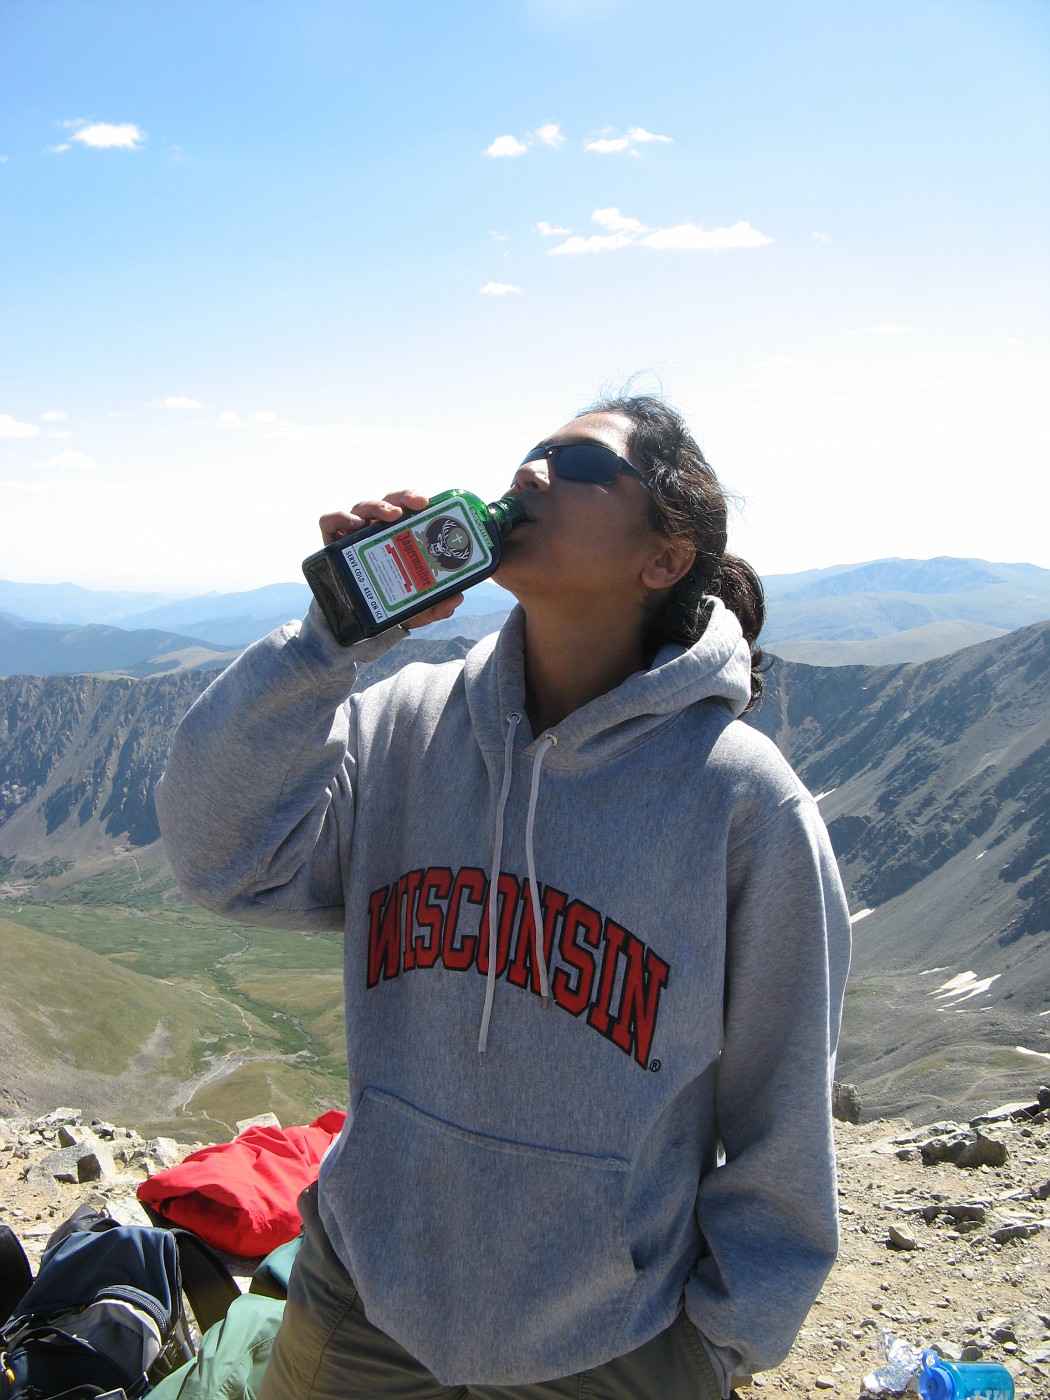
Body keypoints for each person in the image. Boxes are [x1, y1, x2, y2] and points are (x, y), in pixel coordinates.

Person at [156, 393, 851, 1400]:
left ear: (664, 555)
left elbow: (783, 1109)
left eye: (578, 466)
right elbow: (225, 857)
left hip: (607, 1342)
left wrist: (716, 1343)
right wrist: (325, 643)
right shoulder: (404, 721)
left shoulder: (740, 799)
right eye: (530, 453)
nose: (530, 472)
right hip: (363, 1295)